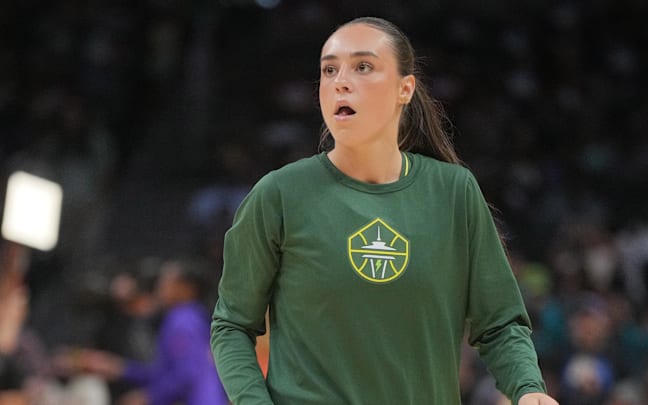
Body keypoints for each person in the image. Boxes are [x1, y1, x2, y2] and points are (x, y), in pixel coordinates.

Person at [211, 16, 558, 405]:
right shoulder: (279, 194)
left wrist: (528, 389)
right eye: (329, 69)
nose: (341, 80)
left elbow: (500, 323)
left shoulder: (454, 191)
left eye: (363, 66)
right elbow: (231, 325)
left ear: (404, 89)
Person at [61, 259, 228, 405]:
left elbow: (188, 373)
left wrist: (149, 397)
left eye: (167, 281)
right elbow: (164, 374)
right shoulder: (190, 317)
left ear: (186, 289)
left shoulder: (183, 320)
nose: (160, 287)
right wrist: (119, 368)